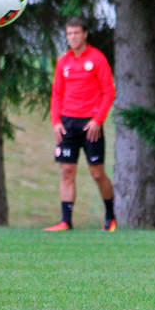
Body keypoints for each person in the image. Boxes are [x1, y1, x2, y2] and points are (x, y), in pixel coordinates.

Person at [45, 17, 117, 231]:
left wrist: (98, 120)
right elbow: (56, 94)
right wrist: (56, 121)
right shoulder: (63, 62)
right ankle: (66, 221)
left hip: (90, 124)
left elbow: (108, 92)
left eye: (76, 33)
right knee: (67, 170)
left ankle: (111, 218)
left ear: (85, 34)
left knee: (97, 173)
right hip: (67, 123)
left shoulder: (97, 59)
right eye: (69, 34)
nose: (73, 37)